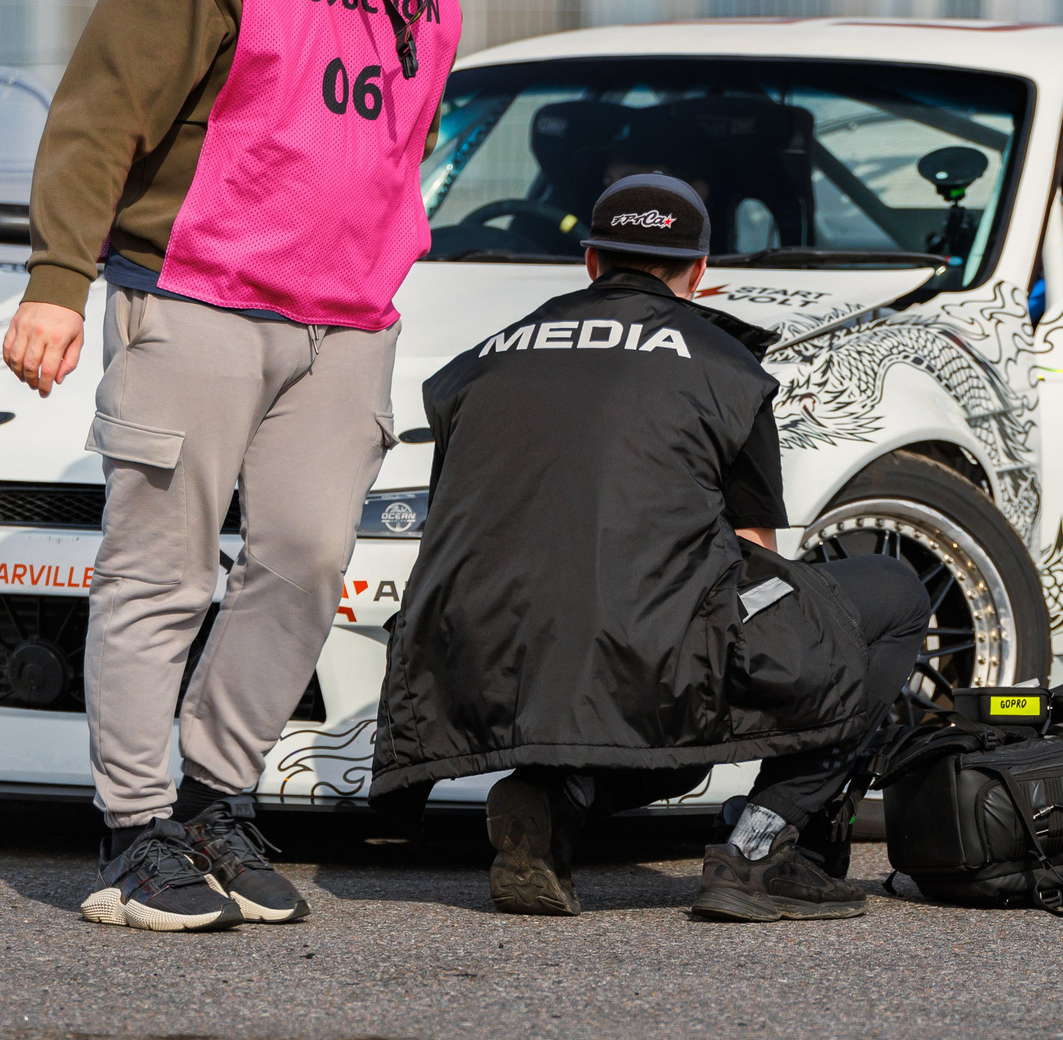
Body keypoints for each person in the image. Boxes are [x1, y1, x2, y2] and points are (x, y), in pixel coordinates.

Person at [1, 0, 498, 931]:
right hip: (198, 297)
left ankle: (217, 802)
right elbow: (98, 108)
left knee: (307, 559)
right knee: (159, 571)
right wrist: (57, 281)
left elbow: (401, 132)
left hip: (347, 320)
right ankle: (131, 836)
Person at [371, 175, 932, 922]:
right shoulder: (728, 367)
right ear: (698, 273)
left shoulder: (479, 363)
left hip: (477, 650)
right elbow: (753, 551)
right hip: (639, 650)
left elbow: (461, 520)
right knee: (886, 596)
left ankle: (558, 797)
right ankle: (764, 848)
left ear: (591, 261)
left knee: (643, 679)